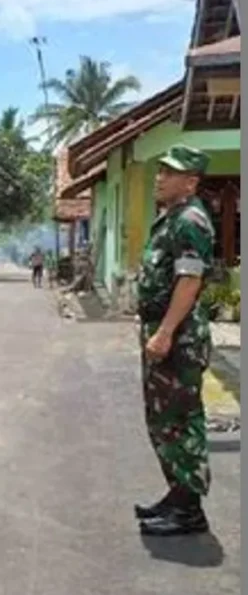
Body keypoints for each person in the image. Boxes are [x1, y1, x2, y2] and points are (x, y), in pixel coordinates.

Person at [134, 145, 216, 537]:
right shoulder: (171, 218)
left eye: (171, 172)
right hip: (164, 333)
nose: (161, 177)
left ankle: (189, 511)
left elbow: (190, 279)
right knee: (162, 421)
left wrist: (165, 331)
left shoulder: (191, 220)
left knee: (179, 421)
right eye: (161, 169)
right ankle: (177, 495)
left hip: (178, 339)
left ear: (191, 181)